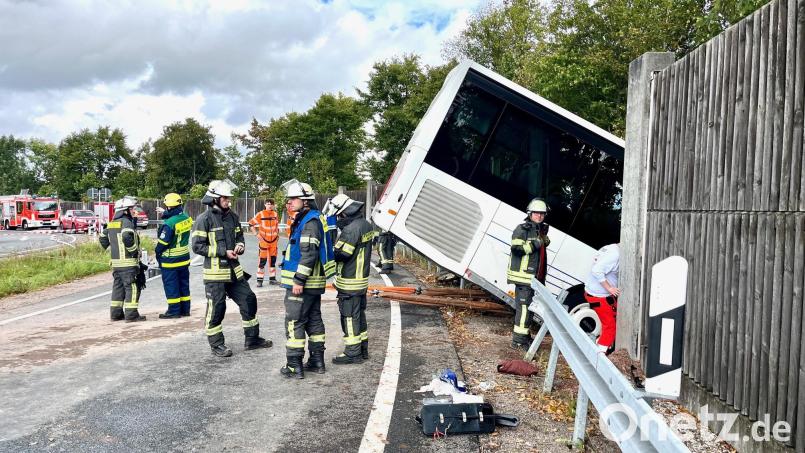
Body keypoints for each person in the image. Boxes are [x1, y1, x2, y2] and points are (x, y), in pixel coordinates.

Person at [191, 179, 272, 357]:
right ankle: (216, 344)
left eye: (229, 198)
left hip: (234, 272)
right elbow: (197, 247)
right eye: (225, 198)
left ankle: (252, 339)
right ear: (214, 199)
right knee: (217, 308)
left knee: (249, 299)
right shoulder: (203, 219)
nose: (229, 201)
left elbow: (240, 237)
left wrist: (240, 246)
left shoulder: (233, 217)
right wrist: (223, 252)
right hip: (215, 274)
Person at [278, 179, 336, 379]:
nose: (289, 202)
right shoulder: (313, 218)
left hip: (303, 284)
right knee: (314, 321)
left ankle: (294, 365)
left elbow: (309, 254)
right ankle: (317, 361)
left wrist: (298, 280)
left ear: (306, 200)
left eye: (294, 199)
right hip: (314, 284)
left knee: (294, 322)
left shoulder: (309, 222)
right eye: (289, 199)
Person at [324, 194, 374, 364]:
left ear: (344, 212)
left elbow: (343, 254)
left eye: (338, 214)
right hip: (361, 280)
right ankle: (363, 349)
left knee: (349, 317)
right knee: (359, 315)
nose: (338, 217)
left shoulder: (351, 229)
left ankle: (353, 353)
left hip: (349, 281)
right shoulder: (366, 225)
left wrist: (330, 250)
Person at [507, 198, 550, 349]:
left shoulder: (539, 230)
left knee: (529, 308)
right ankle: (518, 341)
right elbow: (516, 250)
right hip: (523, 277)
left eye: (542, 214)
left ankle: (524, 337)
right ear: (530, 214)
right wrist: (537, 243)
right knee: (524, 309)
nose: (539, 216)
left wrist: (543, 240)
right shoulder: (522, 229)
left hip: (534, 278)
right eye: (536, 213)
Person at [99, 195, 146, 322]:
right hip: (128, 263)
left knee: (118, 288)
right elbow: (126, 237)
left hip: (116, 264)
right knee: (132, 287)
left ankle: (116, 314)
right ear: (124, 210)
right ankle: (131, 315)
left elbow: (103, 238)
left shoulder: (111, 223)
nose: (133, 211)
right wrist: (134, 252)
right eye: (131, 209)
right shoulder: (126, 222)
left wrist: (112, 250)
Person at [155, 193, 193, 319]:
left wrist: (157, 252)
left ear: (169, 207)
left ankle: (174, 311)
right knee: (184, 285)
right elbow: (176, 217)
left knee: (171, 286)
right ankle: (185, 310)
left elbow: (163, 243)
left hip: (170, 261)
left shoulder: (169, 224)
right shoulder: (187, 218)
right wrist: (165, 214)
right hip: (184, 258)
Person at [583, 243, 620, 355]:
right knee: (610, 326)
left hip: (594, 293)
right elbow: (597, 270)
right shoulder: (616, 254)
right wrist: (609, 288)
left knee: (609, 321)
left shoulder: (610, 247)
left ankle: (601, 346)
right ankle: (600, 356)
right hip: (599, 296)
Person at [248, 199, 280, 287]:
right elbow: (251, 224)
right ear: (265, 205)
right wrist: (256, 234)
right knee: (262, 261)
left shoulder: (275, 214)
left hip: (274, 242)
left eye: (271, 204)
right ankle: (259, 280)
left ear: (273, 205)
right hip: (264, 242)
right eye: (268, 204)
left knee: (273, 261)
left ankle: (272, 279)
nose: (269, 206)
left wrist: (277, 236)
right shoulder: (261, 214)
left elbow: (277, 226)